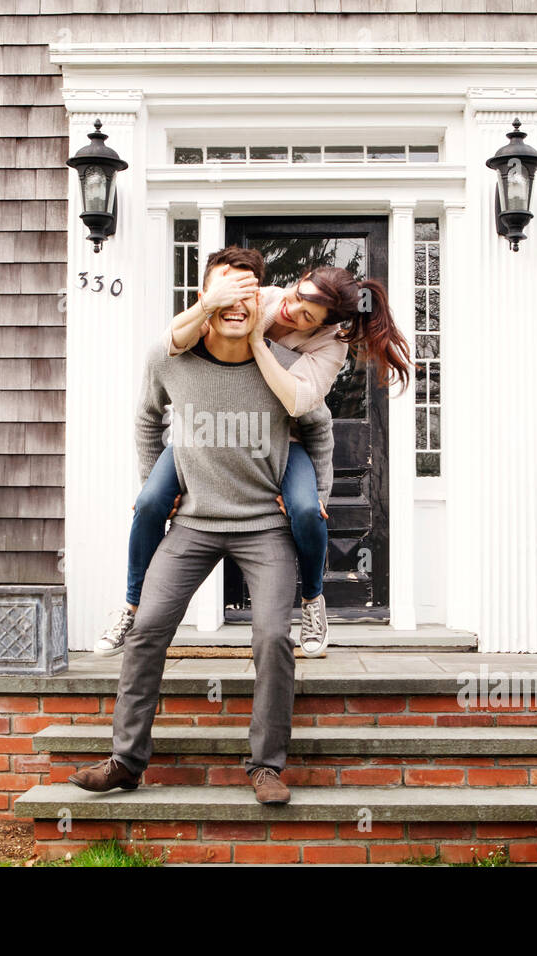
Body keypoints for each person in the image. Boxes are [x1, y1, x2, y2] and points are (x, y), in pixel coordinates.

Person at [68, 270, 334, 805]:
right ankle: (125, 760)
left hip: (264, 527)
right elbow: (146, 419)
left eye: (247, 296)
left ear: (258, 303)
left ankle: (265, 767)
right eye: (225, 296)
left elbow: (320, 424)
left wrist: (318, 495)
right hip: (192, 524)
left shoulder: (282, 366)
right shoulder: (172, 360)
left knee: (271, 640)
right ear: (205, 302)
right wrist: (154, 485)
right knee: (146, 631)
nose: (237, 306)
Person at [95, 245, 412, 657]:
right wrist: (209, 301)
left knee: (306, 511)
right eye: (298, 295)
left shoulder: (329, 347)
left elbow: (301, 406)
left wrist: (259, 344)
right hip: (206, 437)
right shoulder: (265, 297)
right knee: (150, 501)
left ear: (323, 327)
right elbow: (174, 343)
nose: (291, 310)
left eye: (306, 316)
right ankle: (132, 605)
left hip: (284, 440)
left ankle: (314, 600)